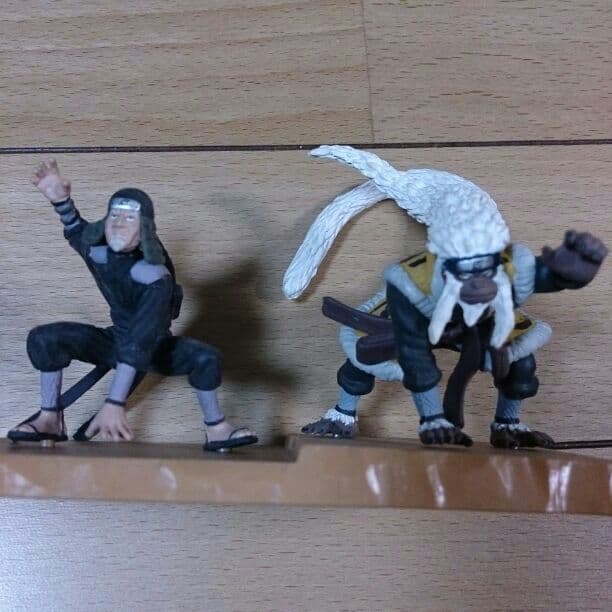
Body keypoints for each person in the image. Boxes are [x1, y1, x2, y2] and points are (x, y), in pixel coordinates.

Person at [283, 145, 607, 448]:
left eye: (484, 269)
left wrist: (571, 271)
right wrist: (432, 419)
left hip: (483, 322)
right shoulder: (410, 285)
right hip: (422, 314)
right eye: (466, 272)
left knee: (520, 360)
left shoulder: (509, 267)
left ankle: (507, 424)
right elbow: (415, 355)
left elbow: (541, 276)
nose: (477, 283)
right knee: (368, 351)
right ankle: (342, 414)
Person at [8, 160, 257, 451]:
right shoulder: (100, 254)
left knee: (205, 358)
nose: (118, 223)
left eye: (129, 218)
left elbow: (141, 340)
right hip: (116, 340)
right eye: (114, 215)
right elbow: (78, 233)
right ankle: (50, 419)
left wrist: (114, 402)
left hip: (154, 348)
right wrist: (61, 201)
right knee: (45, 338)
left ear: (145, 228)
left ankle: (216, 429)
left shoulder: (154, 277)